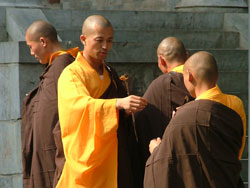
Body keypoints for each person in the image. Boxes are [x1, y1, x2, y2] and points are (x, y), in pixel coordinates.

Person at [56, 15, 147, 188]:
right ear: (83, 39)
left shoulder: (110, 73)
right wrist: (117, 104)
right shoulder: (72, 74)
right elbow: (79, 106)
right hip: (90, 159)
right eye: (99, 40)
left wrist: (126, 111)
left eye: (110, 40)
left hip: (116, 155)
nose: (105, 46)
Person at [144, 51, 246, 188]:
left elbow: (170, 162)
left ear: (190, 77)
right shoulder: (236, 104)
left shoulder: (184, 116)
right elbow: (237, 151)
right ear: (217, 76)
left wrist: (156, 151)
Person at [21, 20, 79, 188]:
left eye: (31, 46)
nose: (31, 52)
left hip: (54, 159)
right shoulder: (55, 67)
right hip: (46, 159)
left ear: (43, 42)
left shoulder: (63, 67)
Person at [135, 37, 193, 185]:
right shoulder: (202, 83)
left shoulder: (158, 87)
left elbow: (141, 127)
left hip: (164, 171)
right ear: (187, 56)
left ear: (161, 60)